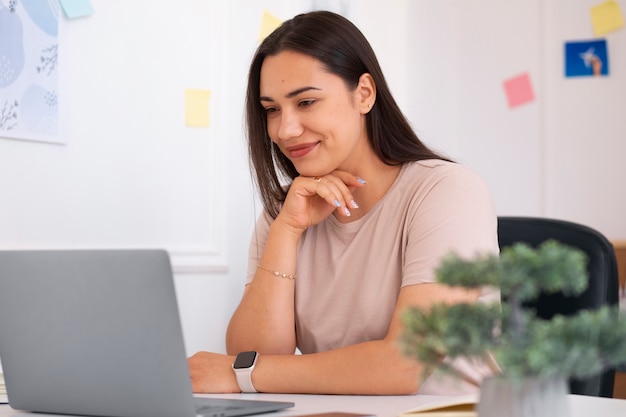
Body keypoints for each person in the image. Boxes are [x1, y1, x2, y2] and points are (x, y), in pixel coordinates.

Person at [188, 10, 499, 395]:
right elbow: (253, 354)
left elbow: (404, 364)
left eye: (305, 102)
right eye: (272, 109)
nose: (285, 130)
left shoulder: (448, 192)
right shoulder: (287, 211)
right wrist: (287, 230)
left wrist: (242, 374)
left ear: (364, 94)